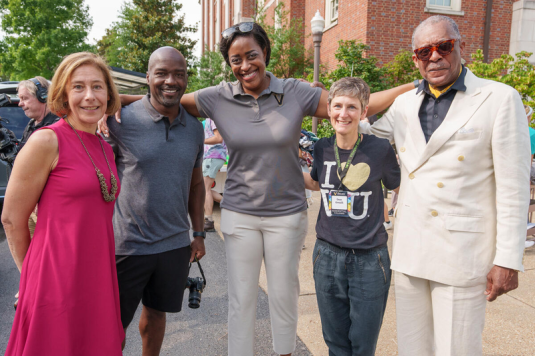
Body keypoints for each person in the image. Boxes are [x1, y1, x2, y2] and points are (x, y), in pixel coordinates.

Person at [101, 23, 416, 356]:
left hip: (287, 214)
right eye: (236, 59)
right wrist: (114, 102)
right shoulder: (218, 96)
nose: (245, 65)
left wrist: (414, 85)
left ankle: (285, 353)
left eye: (252, 55)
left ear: (265, 53)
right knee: (241, 298)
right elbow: (168, 97)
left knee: (283, 295)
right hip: (240, 214)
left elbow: (351, 104)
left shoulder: (295, 92)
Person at [359, 15, 530, 355]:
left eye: (444, 47)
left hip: (462, 252)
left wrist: (508, 258)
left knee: (456, 349)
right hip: (410, 251)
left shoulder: (498, 98)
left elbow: (514, 187)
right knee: (412, 348)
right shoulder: (405, 105)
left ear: (460, 47)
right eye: (424, 52)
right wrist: (407, 86)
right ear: (415, 59)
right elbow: (361, 135)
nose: (434, 56)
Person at [2, 52, 124, 355]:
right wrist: (31, 278)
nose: (89, 96)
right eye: (78, 87)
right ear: (63, 95)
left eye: (98, 87)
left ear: (108, 94)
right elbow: (12, 220)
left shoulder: (105, 148)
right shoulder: (46, 141)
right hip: (53, 277)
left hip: (97, 275)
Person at [104, 46, 206, 356]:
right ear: (148, 77)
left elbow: (197, 183)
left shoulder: (195, 129)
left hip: (173, 245)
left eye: (179, 74)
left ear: (187, 79)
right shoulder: (119, 121)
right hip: (127, 245)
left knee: (157, 313)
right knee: (112, 324)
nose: (170, 81)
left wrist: (198, 233)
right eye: (161, 73)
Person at [303, 77, 400, 355]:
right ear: (329, 108)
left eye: (352, 107)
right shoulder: (321, 147)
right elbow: (318, 183)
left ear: (363, 112)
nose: (343, 114)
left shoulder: (379, 149)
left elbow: (399, 185)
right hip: (327, 256)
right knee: (335, 342)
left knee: (363, 344)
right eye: (337, 106)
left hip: (370, 260)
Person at [203, 117, 227, 232]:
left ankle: (209, 221)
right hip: (214, 156)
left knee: (205, 189)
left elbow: (218, 138)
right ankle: (229, 204)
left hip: (212, 156)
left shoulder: (213, 118)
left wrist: (200, 140)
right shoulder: (216, 117)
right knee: (202, 189)